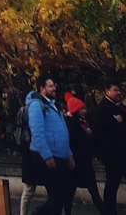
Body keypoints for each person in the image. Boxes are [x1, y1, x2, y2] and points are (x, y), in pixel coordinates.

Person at [28, 76, 75, 215]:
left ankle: (40, 213)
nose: (54, 88)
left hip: (60, 154)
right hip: (47, 154)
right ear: (42, 89)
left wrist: (68, 153)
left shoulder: (54, 104)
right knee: (57, 193)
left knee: (63, 191)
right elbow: (37, 133)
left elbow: (62, 130)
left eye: (54, 85)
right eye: (50, 86)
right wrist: (47, 156)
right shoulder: (37, 105)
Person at [64, 93, 103, 214]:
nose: (84, 111)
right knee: (70, 193)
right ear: (76, 110)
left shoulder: (84, 122)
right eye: (82, 108)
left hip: (85, 162)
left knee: (93, 192)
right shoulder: (71, 124)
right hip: (76, 163)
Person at [92, 81, 126, 215]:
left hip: (121, 151)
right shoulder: (102, 108)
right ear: (107, 91)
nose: (119, 93)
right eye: (115, 90)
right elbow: (99, 129)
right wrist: (114, 122)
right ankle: (109, 211)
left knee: (113, 182)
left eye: (119, 90)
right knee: (112, 183)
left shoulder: (119, 107)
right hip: (112, 153)